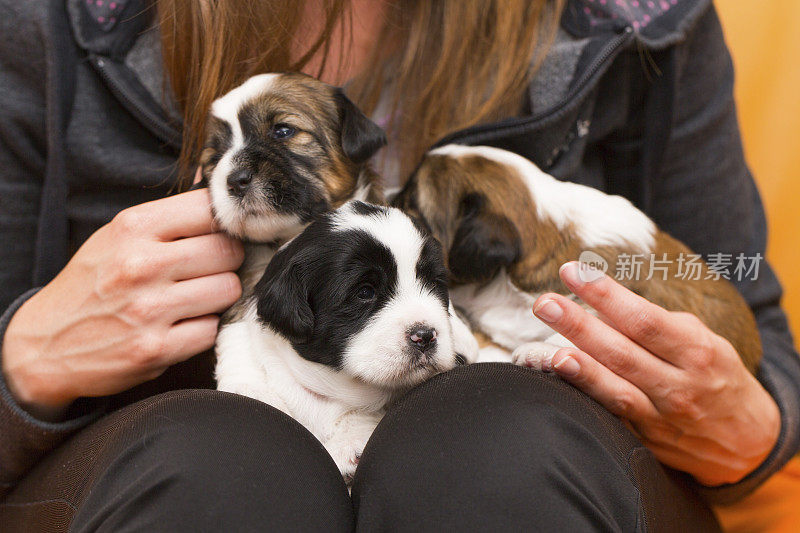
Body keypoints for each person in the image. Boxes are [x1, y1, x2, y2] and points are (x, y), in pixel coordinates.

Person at [0, 0, 797, 530]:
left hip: (539, 464)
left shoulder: (635, 16)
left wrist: (754, 428)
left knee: (495, 438)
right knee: (221, 461)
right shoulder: (45, 22)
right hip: (165, 467)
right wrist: (22, 363)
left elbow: (752, 334)